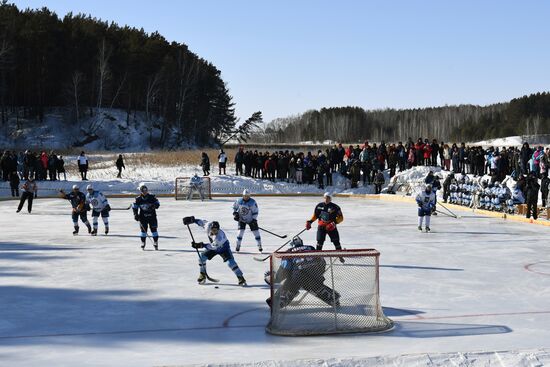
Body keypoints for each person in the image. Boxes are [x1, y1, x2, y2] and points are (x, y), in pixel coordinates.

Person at [265, 236, 340, 309]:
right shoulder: (311, 248)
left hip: (299, 275)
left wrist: (275, 278)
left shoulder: (289, 251)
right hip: (315, 273)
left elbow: (284, 269)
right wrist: (319, 273)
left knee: (292, 279)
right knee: (313, 284)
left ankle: (280, 300)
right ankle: (332, 298)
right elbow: (322, 262)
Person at [189, 218, 246, 286]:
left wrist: (201, 245)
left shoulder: (219, 237)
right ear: (210, 228)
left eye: (216, 230)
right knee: (202, 258)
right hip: (213, 246)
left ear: (218, 229)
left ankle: (240, 277)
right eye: (213, 230)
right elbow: (201, 222)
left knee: (230, 263)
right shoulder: (208, 227)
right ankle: (202, 274)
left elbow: (213, 247)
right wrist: (193, 220)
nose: (214, 231)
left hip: (223, 248)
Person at [132, 184, 160, 250]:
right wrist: (135, 214)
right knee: (143, 231)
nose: (145, 192)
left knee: (154, 230)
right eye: (143, 191)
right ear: (141, 191)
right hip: (143, 217)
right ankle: (143, 242)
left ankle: (155, 242)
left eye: (146, 190)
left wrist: (154, 206)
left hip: (152, 216)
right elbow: (134, 207)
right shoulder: (138, 199)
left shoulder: (152, 197)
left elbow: (158, 204)